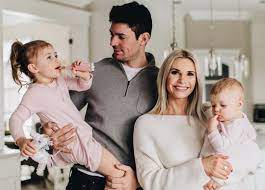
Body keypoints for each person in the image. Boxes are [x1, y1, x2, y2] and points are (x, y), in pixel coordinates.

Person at [43, 1, 158, 190]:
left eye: (121, 36)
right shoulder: (95, 71)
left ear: (143, 39)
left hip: (128, 184)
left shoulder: (161, 82)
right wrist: (50, 132)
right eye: (112, 35)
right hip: (83, 180)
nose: (112, 42)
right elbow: (60, 110)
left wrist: (138, 180)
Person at [133, 49, 259, 190]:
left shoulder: (211, 114)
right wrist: (202, 167)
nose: (182, 80)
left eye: (190, 74)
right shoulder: (146, 124)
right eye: (175, 72)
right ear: (164, 76)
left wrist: (222, 177)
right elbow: (149, 181)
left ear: (196, 80)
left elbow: (251, 153)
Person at [8, 40, 125, 178]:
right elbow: (15, 119)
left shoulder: (60, 80)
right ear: (34, 68)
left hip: (82, 138)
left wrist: (85, 76)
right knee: (119, 173)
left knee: (116, 175)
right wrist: (21, 140)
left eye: (55, 55)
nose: (56, 60)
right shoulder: (34, 94)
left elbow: (82, 86)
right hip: (72, 143)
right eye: (49, 57)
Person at [201, 78, 262, 190]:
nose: (216, 109)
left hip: (229, 160)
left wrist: (212, 130)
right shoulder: (230, 116)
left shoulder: (235, 125)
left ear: (239, 105)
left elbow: (222, 148)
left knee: (233, 160)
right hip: (211, 162)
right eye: (213, 105)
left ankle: (219, 181)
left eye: (223, 105)